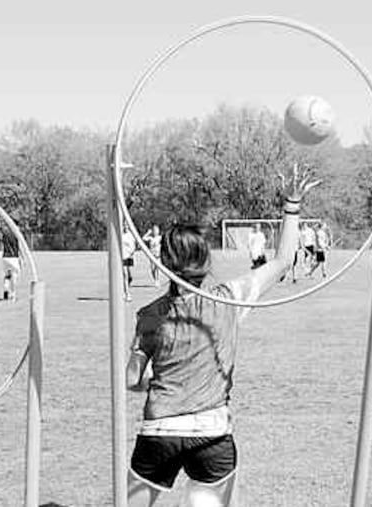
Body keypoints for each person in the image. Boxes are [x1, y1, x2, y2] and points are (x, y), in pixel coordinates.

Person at [125, 164, 320, 506]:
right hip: (212, 435)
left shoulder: (150, 315)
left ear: (166, 264)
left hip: (159, 433)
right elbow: (284, 260)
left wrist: (157, 380)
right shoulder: (227, 298)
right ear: (205, 260)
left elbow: (131, 379)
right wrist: (291, 205)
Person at [1, 227, 21, 302]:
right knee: (14, 276)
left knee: (7, 276)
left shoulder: (5, 233)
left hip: (5, 257)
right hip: (13, 258)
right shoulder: (16, 234)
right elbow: (19, 247)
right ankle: (13, 295)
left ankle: (6, 289)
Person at [122, 221, 137, 301]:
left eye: (127, 225)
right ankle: (127, 293)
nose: (125, 227)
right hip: (122, 256)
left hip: (129, 255)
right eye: (124, 225)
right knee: (124, 274)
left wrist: (132, 252)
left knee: (128, 273)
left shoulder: (131, 235)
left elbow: (133, 245)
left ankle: (128, 282)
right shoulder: (120, 235)